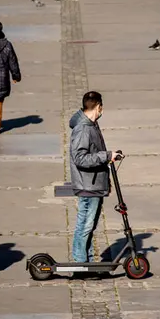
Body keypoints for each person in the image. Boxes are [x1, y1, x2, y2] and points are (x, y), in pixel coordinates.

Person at [69, 92, 122, 269]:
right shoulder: (84, 129)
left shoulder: (91, 125)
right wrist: (106, 156)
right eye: (101, 107)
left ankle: (87, 261)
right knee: (85, 225)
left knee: (89, 226)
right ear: (98, 106)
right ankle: (80, 263)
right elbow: (80, 158)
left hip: (94, 183)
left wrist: (108, 159)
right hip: (88, 185)